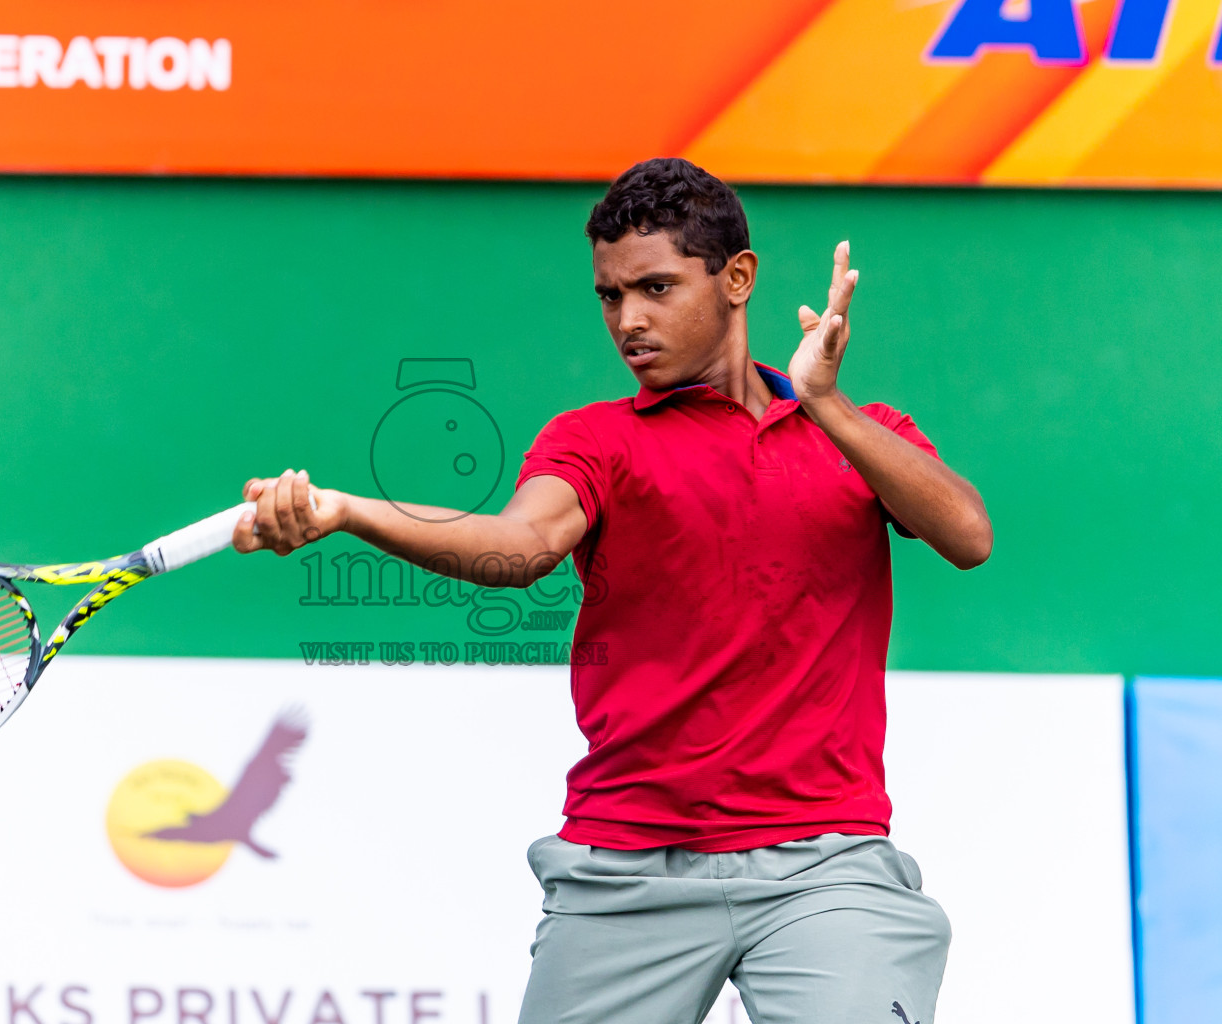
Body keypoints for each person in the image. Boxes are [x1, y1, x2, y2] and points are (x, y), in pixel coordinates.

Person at [233, 157, 991, 1024]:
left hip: (828, 867)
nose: (629, 319)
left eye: (657, 288)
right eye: (609, 295)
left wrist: (827, 406)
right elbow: (521, 546)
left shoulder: (860, 437)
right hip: (627, 866)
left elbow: (968, 535)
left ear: (737, 278)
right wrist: (349, 512)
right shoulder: (595, 442)